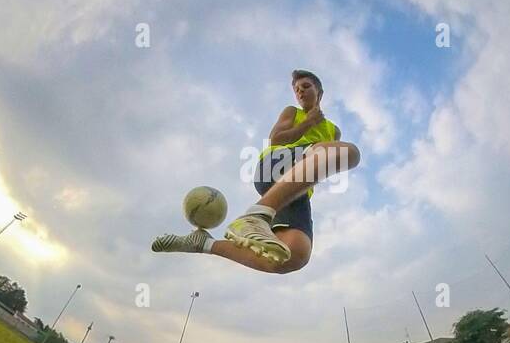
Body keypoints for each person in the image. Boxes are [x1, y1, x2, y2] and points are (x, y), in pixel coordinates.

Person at [151, 69, 361, 273]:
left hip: (295, 191)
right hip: (275, 165)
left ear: (320, 93)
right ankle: (256, 215)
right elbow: (276, 139)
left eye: (306, 86)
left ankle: (204, 244)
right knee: (349, 153)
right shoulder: (292, 112)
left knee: (293, 255)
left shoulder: (333, 130)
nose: (300, 92)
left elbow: (326, 163)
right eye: (297, 89)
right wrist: (307, 123)